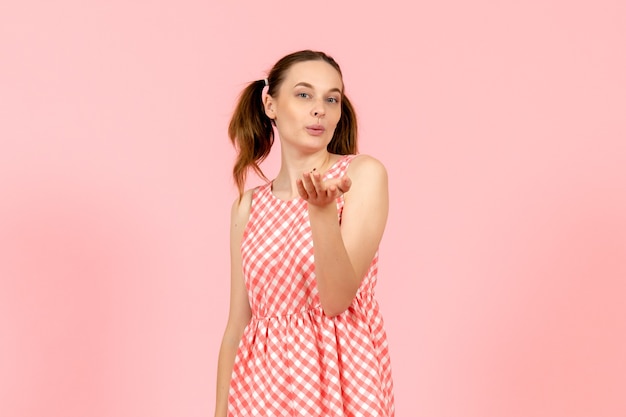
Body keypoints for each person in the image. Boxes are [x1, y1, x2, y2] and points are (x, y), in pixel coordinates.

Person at [214, 50, 395, 417]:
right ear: (270, 104)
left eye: (332, 98)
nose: (320, 109)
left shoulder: (360, 175)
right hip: (261, 391)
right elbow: (238, 323)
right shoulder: (247, 206)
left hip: (343, 382)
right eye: (303, 94)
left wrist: (322, 213)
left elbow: (336, 300)